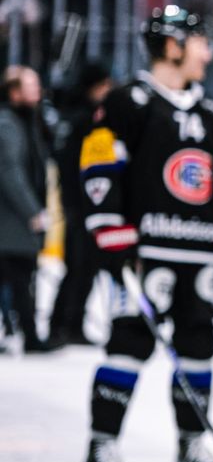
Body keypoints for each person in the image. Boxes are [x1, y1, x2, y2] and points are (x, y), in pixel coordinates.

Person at [78, 6, 213, 462]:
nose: (208, 51)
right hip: (145, 252)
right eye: (199, 41)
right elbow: (98, 170)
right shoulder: (125, 102)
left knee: (199, 345)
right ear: (173, 45)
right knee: (129, 343)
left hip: (199, 252)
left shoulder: (212, 114)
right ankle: (101, 448)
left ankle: (192, 446)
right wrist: (110, 231)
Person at [47, 62, 113, 347]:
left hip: (78, 201)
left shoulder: (73, 116)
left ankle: (69, 323)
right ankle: (63, 323)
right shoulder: (83, 119)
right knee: (79, 265)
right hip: (81, 203)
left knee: (83, 266)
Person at [0, 66, 53, 353]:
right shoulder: (8, 124)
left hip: (15, 221)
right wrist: (33, 211)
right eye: (31, 86)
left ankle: (25, 333)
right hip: (10, 220)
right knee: (20, 278)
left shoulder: (27, 122)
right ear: (14, 91)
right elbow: (11, 173)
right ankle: (29, 335)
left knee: (21, 278)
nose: (38, 91)